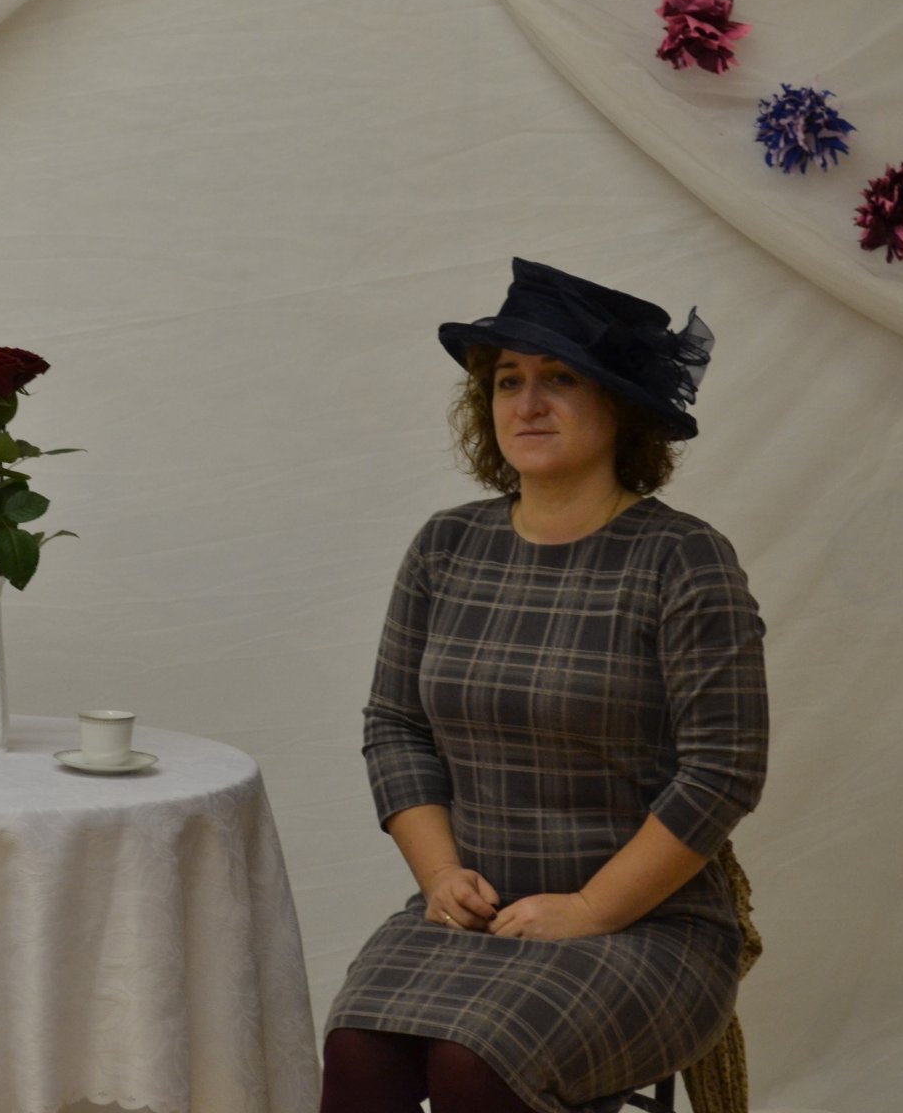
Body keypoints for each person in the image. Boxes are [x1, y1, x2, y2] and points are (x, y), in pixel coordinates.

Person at [320, 258, 769, 1113]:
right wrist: (440, 874)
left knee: (472, 1065)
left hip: (649, 926)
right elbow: (395, 726)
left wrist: (592, 907)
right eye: (507, 380)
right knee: (358, 1050)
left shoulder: (683, 559)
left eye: (559, 378)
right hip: (474, 909)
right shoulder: (447, 547)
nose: (526, 404)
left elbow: (725, 770)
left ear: (621, 406)